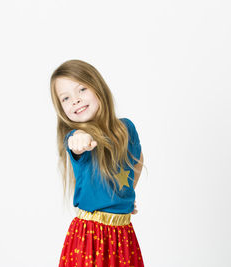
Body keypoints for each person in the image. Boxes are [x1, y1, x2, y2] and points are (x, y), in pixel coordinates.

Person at [50, 59, 145, 267]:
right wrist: (80, 140)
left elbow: (136, 163)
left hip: (123, 235)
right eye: (65, 98)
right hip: (89, 238)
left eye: (82, 89)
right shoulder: (74, 136)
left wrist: (125, 195)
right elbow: (76, 144)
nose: (75, 100)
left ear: (98, 87)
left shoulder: (126, 129)